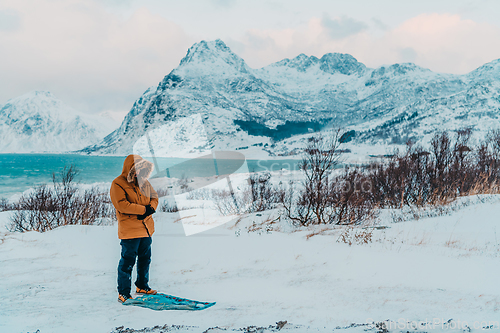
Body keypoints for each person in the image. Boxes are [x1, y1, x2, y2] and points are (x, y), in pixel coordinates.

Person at [110, 154, 159, 303]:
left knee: (145, 259)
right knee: (127, 262)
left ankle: (142, 286)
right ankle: (123, 293)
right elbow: (121, 204)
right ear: (129, 169)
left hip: (146, 229)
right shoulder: (118, 184)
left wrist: (151, 208)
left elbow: (154, 197)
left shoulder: (144, 182)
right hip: (130, 231)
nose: (139, 172)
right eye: (136, 169)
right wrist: (144, 210)